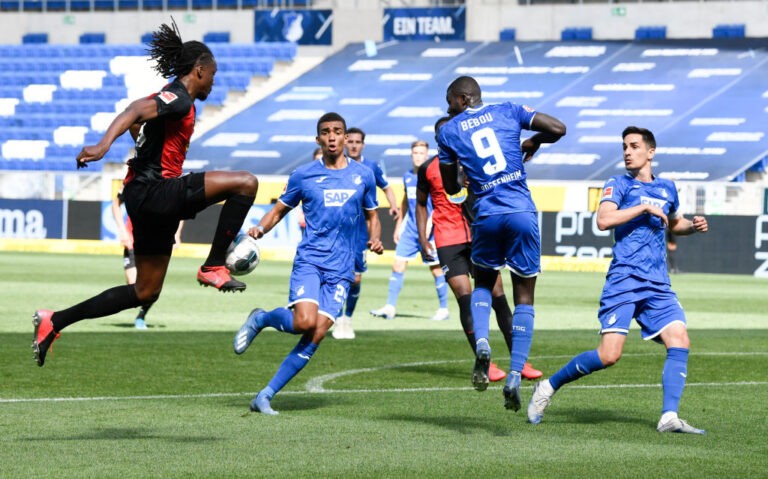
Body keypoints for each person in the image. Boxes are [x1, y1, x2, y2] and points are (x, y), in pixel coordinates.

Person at [32, 19, 258, 367]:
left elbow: (141, 125)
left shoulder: (178, 101)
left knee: (146, 291)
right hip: (155, 191)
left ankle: (54, 320)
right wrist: (102, 145)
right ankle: (213, 265)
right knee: (246, 183)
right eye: (212, 73)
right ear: (199, 70)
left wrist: (140, 138)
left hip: (146, 198)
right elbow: (136, 109)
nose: (214, 80)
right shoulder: (179, 97)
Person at [527, 126, 708, 434]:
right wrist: (642, 207)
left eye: (634, 146)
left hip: (657, 282)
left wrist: (693, 226)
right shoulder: (618, 184)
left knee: (680, 340)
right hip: (624, 278)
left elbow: (674, 222)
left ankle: (669, 417)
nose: (627, 151)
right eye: (624, 146)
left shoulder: (667, 187)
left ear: (650, 152)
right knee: (609, 355)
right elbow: (603, 219)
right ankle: (548, 387)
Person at [232, 112, 383, 415]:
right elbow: (279, 209)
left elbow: (372, 216)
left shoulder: (363, 175)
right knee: (303, 322)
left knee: (316, 333)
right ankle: (262, 318)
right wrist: (260, 229)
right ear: (318, 139)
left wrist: (375, 239)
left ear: (344, 138)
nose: (332, 137)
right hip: (311, 260)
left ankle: (265, 395)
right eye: (325, 132)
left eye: (337, 131)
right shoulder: (304, 175)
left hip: (342, 267)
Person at [437, 76, 566, 410]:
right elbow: (559, 128)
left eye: (450, 102)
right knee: (524, 295)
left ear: (463, 99)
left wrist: (464, 173)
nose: (448, 109)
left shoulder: (448, 131)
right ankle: (515, 373)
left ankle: (482, 342)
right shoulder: (509, 111)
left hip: (487, 214)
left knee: (484, 284)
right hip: (521, 210)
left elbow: (452, 189)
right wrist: (534, 141)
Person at [417, 116, 542, 383]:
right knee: (465, 297)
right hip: (447, 238)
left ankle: (519, 360)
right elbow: (419, 202)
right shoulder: (428, 168)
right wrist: (422, 237)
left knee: (498, 296)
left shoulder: (474, 161)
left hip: (477, 234)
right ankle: (483, 361)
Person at [370, 140, 449, 322]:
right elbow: (406, 201)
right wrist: (400, 225)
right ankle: (390, 307)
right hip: (411, 230)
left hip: (429, 230)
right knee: (398, 264)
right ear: (411, 155)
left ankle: (444, 308)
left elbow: (439, 203)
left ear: (427, 154)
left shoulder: (432, 175)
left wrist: (430, 224)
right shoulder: (407, 176)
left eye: (422, 153)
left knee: (436, 269)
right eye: (415, 153)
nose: (418, 156)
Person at [332, 126, 399, 340]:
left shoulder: (371, 167)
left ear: (363, 144)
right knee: (333, 275)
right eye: (349, 141)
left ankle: (347, 318)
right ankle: (333, 318)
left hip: (359, 231)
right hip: (336, 228)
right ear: (344, 142)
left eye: (357, 142)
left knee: (356, 279)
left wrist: (394, 205)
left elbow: (387, 187)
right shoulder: (336, 165)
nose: (353, 145)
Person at [111, 185, 183, 329]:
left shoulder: (169, 181)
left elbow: (180, 210)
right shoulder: (132, 181)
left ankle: (141, 316)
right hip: (134, 239)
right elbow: (116, 204)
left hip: (158, 241)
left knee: (152, 286)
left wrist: (177, 234)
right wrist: (122, 230)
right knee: (134, 286)